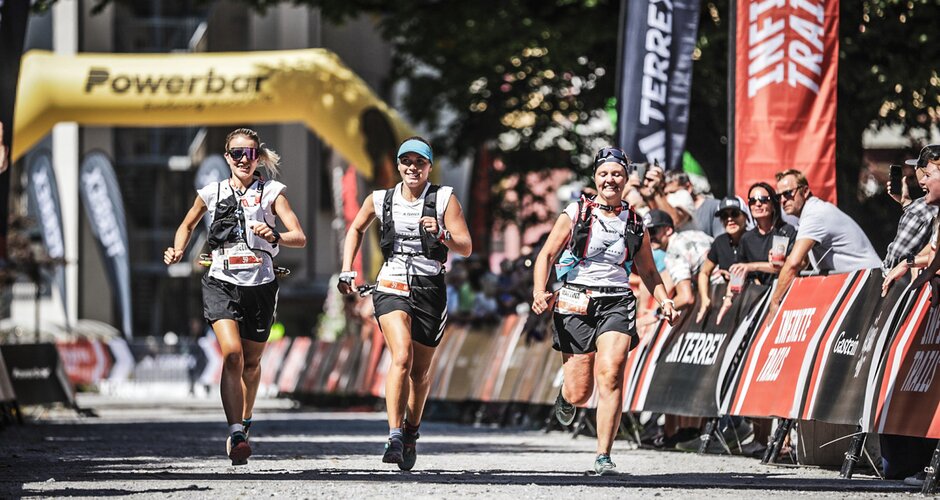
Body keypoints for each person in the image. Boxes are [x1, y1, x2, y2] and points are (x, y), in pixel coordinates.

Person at [164, 128, 306, 465]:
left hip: (260, 284)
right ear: (227, 157)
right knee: (232, 355)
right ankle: (236, 432)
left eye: (251, 153)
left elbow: (299, 236)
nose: (244, 159)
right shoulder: (211, 192)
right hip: (221, 281)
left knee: (252, 363)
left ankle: (246, 419)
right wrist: (178, 250)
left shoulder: (272, 192)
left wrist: (275, 235)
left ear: (258, 157)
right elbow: (187, 224)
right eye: (237, 153)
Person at [532, 146, 676, 476]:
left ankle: (603, 455)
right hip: (575, 300)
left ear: (626, 179)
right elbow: (546, 256)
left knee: (611, 373)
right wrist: (540, 291)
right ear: (595, 178)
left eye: (617, 174)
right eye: (604, 174)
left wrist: (664, 299)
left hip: (617, 300)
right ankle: (567, 396)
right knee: (581, 391)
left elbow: (650, 272)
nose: (610, 179)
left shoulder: (636, 221)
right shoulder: (576, 213)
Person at [337, 136, 471, 471]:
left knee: (420, 372)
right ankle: (394, 435)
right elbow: (355, 228)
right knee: (401, 355)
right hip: (391, 284)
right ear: (398, 166)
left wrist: (441, 233)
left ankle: (411, 430)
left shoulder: (444, 199)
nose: (413, 168)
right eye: (406, 162)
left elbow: (466, 246)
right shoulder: (380, 199)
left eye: (420, 163)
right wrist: (346, 269)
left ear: (429, 166)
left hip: (429, 287)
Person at [768, 169, 881, 319]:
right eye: (779, 196)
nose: (783, 200)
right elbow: (801, 262)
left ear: (805, 191)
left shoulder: (814, 215)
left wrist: (775, 301)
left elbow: (794, 264)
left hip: (869, 283)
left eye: (788, 193)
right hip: (861, 283)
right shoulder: (812, 212)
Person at [882, 148, 939, 275]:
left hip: (909, 286)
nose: (915, 172)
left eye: (916, 167)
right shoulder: (925, 207)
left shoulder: (920, 209)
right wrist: (906, 203)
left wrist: (889, 271)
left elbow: (895, 258)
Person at [645, 209, 713, 314]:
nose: (650, 238)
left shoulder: (673, 252)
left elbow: (686, 298)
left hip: (717, 291)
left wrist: (657, 312)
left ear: (668, 230)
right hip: (734, 284)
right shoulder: (692, 234)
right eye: (646, 233)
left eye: (653, 231)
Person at [730, 182, 798, 286]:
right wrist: (729, 297)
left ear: (773, 205)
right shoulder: (746, 238)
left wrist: (751, 267)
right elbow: (739, 271)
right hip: (757, 295)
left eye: (763, 200)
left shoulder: (784, 231)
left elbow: (778, 267)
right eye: (752, 201)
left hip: (782, 290)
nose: (757, 204)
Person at [695, 197, 750, 323]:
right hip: (725, 306)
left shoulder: (753, 238)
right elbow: (704, 272)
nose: (729, 219)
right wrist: (704, 299)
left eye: (735, 214)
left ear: (745, 216)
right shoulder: (719, 242)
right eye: (725, 216)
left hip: (750, 303)